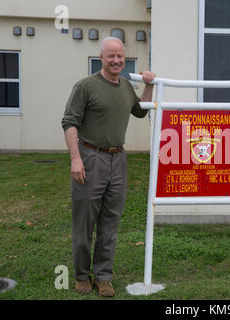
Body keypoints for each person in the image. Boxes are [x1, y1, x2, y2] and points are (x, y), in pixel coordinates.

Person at [61, 36, 155, 296]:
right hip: (90, 157)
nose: (116, 60)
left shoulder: (125, 86)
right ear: (101, 58)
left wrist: (149, 85)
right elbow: (69, 122)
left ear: (125, 58)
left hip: (118, 159)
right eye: (111, 56)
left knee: (110, 222)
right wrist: (75, 158)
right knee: (84, 222)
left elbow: (140, 111)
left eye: (120, 56)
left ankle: (103, 277)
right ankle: (82, 276)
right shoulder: (86, 86)